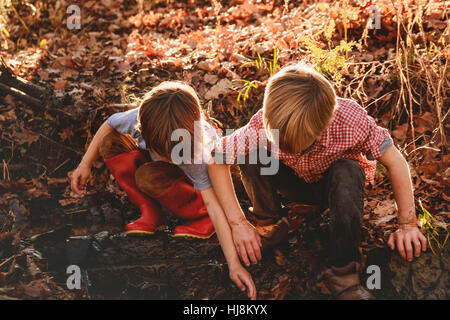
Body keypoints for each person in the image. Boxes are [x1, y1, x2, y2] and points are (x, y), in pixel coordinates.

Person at [208, 63, 427, 300]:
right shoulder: (262, 122)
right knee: (251, 154)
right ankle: (271, 223)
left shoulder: (349, 120)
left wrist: (407, 225)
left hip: (335, 191)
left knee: (348, 170)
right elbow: (216, 159)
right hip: (292, 183)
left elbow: (396, 162)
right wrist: (238, 223)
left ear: (322, 126)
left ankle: (343, 272)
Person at [70, 81, 256, 299]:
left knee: (147, 176)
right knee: (111, 142)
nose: (168, 157)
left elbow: (214, 205)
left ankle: (198, 217)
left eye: (170, 153)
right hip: (165, 174)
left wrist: (234, 264)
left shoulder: (198, 151)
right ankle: (151, 213)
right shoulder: (144, 119)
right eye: (161, 150)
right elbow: (109, 124)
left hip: (195, 184)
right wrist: (85, 164)